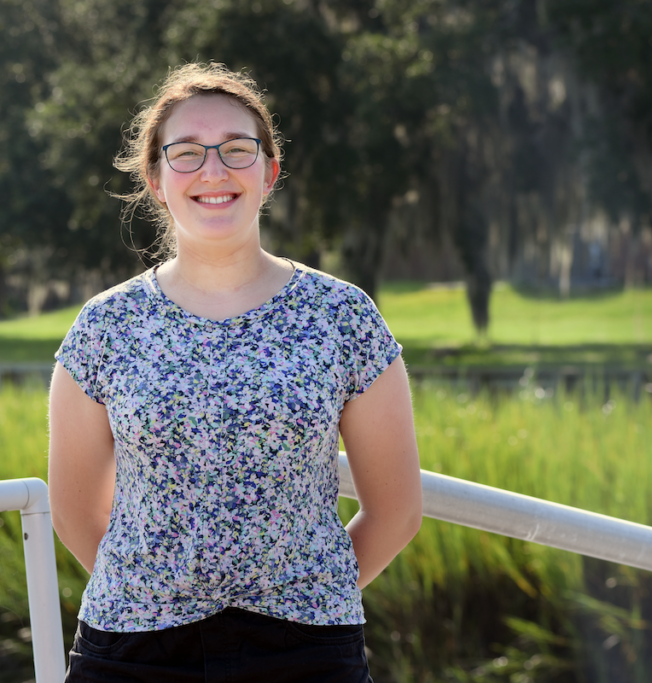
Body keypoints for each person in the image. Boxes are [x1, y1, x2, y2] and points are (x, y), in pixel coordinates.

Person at [48, 62, 423, 683]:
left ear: (269, 171)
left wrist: (307, 598)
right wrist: (157, 595)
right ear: (156, 178)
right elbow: (74, 513)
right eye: (188, 153)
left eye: (236, 150)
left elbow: (396, 511)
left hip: (307, 656)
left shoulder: (343, 316)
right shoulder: (104, 327)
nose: (214, 171)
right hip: (133, 654)